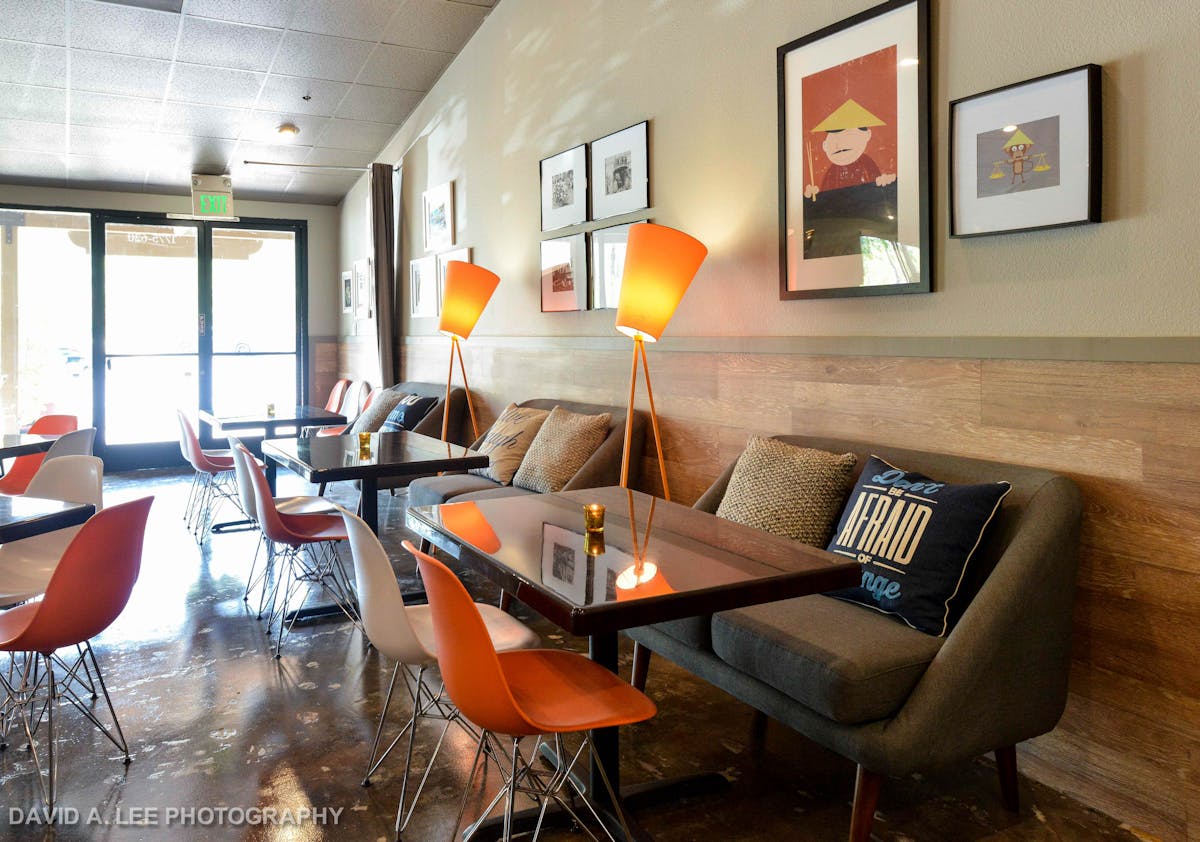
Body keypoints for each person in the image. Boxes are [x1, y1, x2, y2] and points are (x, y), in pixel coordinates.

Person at [804, 99, 896, 200]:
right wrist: (815, 195)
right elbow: (827, 195)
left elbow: (876, 189)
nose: (839, 144)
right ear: (825, 145)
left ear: (867, 135)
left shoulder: (866, 164)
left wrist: (884, 183)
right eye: (834, 138)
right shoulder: (832, 171)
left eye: (848, 136)